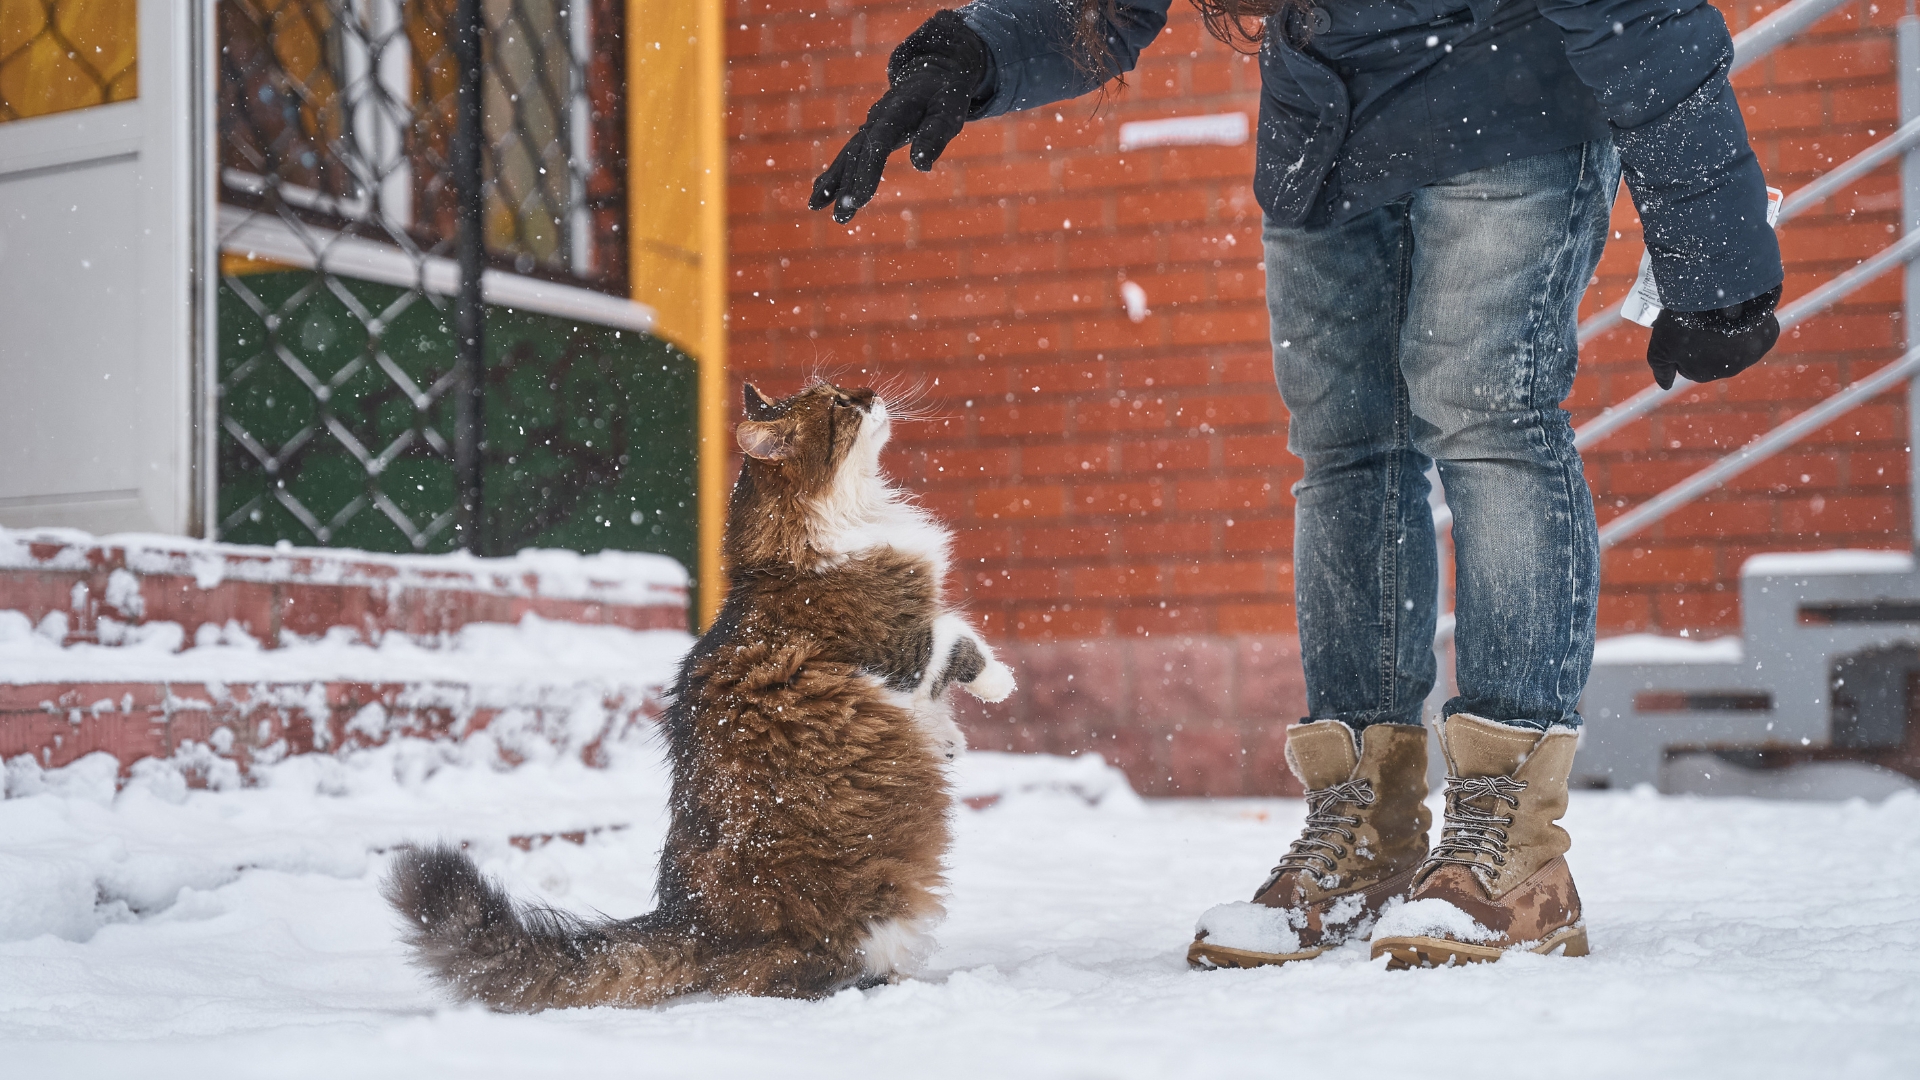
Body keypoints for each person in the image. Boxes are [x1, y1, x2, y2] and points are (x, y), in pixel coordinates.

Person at [811, 0, 1782, 967]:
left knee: (1491, 423)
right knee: (1348, 453)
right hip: (1329, 133)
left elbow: (1637, 11)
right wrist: (971, 56)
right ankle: (1364, 822)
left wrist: (1716, 257)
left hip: (1512, 106)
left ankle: (1512, 843)